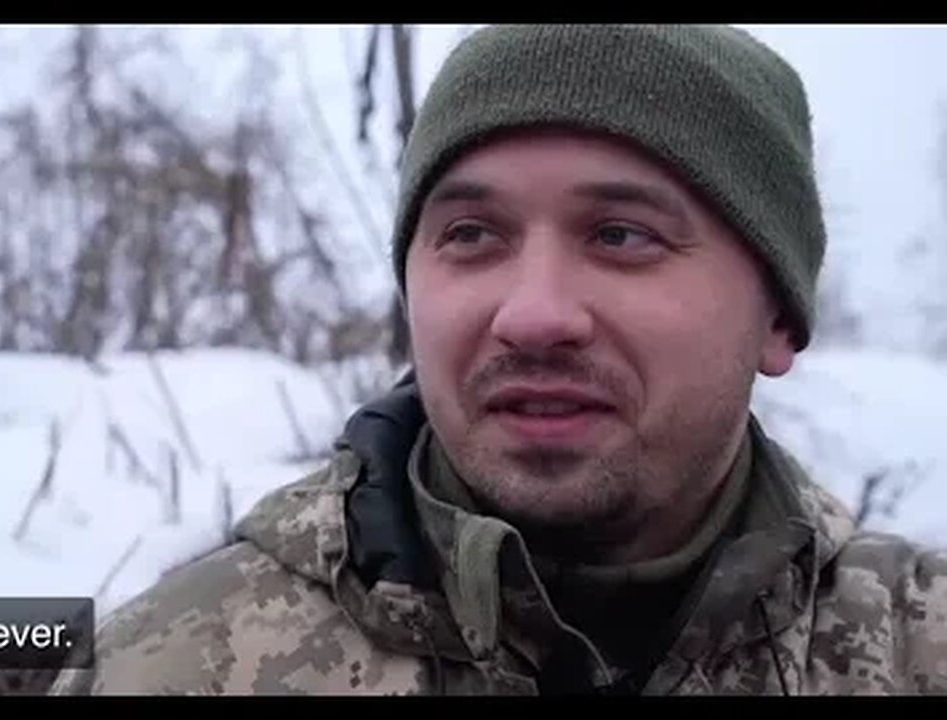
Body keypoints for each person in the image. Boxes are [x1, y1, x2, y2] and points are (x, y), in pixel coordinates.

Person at [48, 24, 947, 695]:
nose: (534, 315)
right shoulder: (176, 661)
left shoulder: (914, 649)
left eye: (621, 235)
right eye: (471, 234)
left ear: (779, 320)